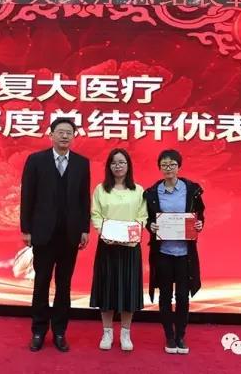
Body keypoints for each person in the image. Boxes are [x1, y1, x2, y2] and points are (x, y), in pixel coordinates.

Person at [20, 117, 91, 352]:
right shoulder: (36, 160)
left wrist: (84, 229)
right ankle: (38, 331)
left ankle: (60, 332)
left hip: (70, 234)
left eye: (69, 132)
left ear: (74, 136)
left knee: (64, 284)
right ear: (51, 135)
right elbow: (27, 196)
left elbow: (84, 199)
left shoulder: (81, 163)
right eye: (60, 132)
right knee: (41, 283)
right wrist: (26, 229)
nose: (65, 136)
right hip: (43, 233)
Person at [144, 149, 205, 355]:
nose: (168, 168)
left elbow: (200, 215)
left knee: (182, 296)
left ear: (179, 167)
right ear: (159, 168)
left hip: (184, 254)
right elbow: (147, 218)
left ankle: (180, 335)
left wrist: (199, 224)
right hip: (163, 252)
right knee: (165, 296)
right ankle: (169, 336)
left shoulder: (192, 190)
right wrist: (151, 226)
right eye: (164, 165)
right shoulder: (152, 193)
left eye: (172, 164)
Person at [89, 148, 147, 351]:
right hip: (107, 246)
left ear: (128, 165)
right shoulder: (101, 189)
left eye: (122, 162)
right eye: (114, 163)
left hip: (130, 247)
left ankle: (125, 333)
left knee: (128, 290)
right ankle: (107, 332)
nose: (118, 166)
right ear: (109, 166)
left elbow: (142, 216)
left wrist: (132, 234)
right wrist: (104, 232)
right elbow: (95, 214)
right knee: (107, 289)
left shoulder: (138, 190)